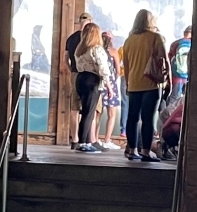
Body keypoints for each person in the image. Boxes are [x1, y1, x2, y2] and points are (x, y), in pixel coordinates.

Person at [117, 9, 170, 162]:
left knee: (132, 118)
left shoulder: (129, 40)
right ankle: (146, 151)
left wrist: (128, 83)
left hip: (133, 84)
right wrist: (169, 81)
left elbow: (126, 66)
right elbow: (164, 60)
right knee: (148, 119)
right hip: (151, 84)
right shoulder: (156, 38)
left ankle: (132, 150)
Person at [72, 22, 111, 152]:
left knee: (85, 111)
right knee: (89, 113)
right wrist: (109, 86)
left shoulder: (79, 49)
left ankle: (86, 141)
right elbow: (103, 69)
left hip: (80, 78)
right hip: (92, 80)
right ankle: (83, 143)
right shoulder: (97, 48)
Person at [99, 31, 122, 145]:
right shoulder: (113, 51)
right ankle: (107, 140)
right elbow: (118, 70)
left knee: (97, 114)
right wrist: (114, 79)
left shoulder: (98, 51)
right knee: (112, 115)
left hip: (99, 82)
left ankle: (94, 139)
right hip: (111, 83)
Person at [168, 24, 192, 94]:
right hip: (187, 75)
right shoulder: (193, 44)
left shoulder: (175, 43)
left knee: (174, 96)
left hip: (176, 75)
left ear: (184, 33)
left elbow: (169, 58)